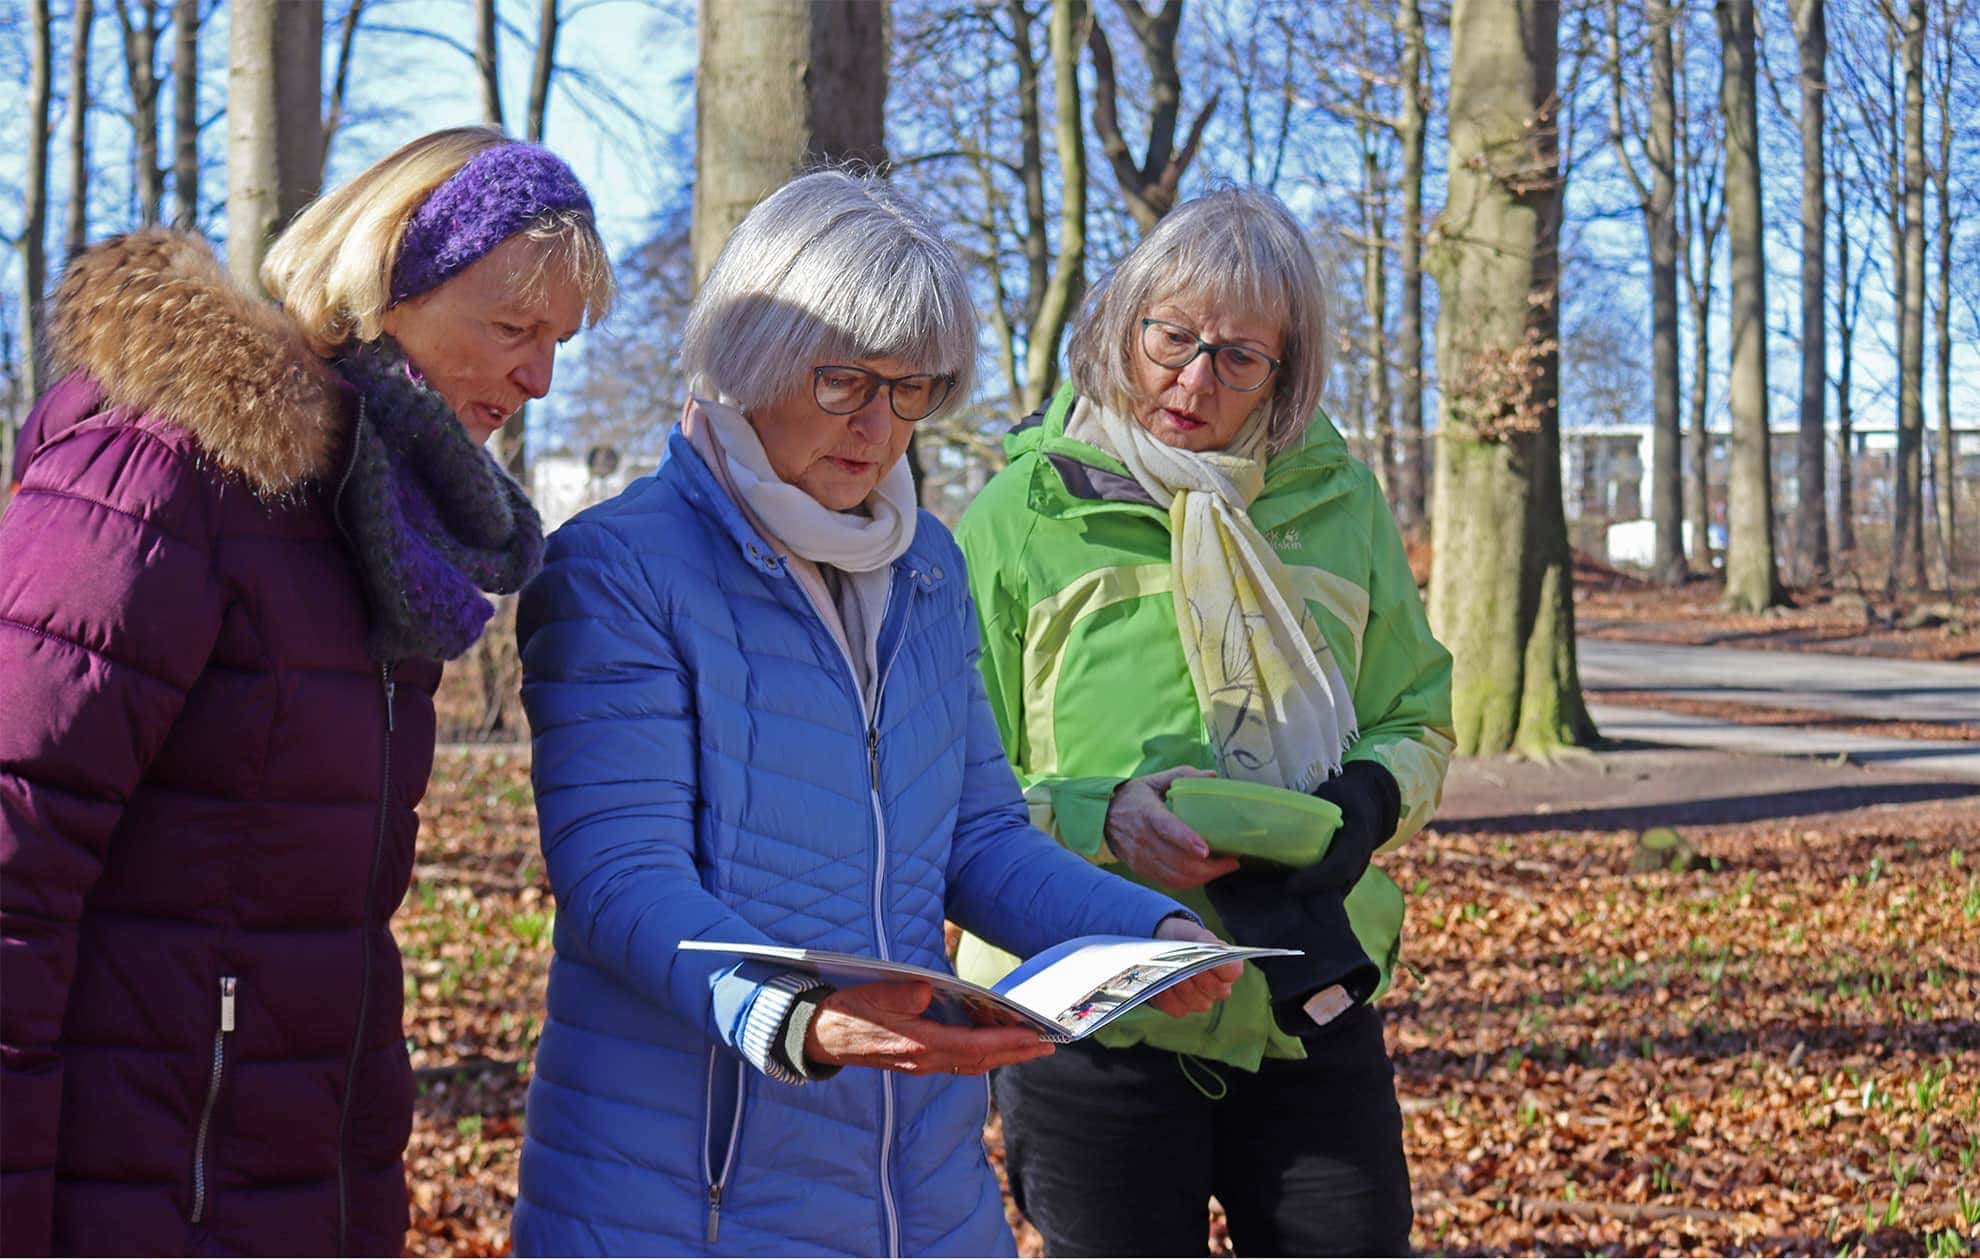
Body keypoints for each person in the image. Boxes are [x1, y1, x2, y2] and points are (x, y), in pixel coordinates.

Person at [507, 169, 1237, 1257]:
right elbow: (619, 877)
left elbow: (979, 836)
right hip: (685, 1192)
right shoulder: (619, 568)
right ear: (749, 356)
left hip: (918, 1189)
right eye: (844, 380)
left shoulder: (926, 566)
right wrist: (794, 1014)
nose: (879, 425)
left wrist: (1146, 934)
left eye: (912, 389)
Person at [0, 126, 612, 1256]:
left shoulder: (378, 527)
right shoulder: (165, 473)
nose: (539, 379)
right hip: (129, 1197)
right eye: (513, 328)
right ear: (385, 278)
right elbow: (12, 856)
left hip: (296, 1191)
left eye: (559, 340)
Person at [953, 187, 1455, 1256]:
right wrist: (1104, 818)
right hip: (1086, 999)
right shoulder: (1021, 517)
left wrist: (1362, 805)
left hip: (1301, 981)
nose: (1194, 381)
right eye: (1171, 338)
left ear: (1288, 372)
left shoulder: (1339, 505)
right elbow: (954, 780)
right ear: (1118, 327)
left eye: (1239, 358)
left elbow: (1415, 713)